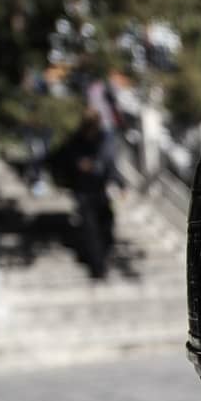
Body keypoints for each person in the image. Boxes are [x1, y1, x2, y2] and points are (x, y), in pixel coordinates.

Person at [49, 108, 121, 279]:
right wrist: (77, 166)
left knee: (107, 225)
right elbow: (60, 160)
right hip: (82, 191)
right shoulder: (75, 142)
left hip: (101, 190)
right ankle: (98, 268)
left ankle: (103, 258)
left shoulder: (104, 140)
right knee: (90, 229)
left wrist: (119, 183)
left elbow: (110, 163)